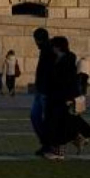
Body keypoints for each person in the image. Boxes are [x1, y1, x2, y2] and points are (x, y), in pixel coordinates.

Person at [30, 27, 55, 155]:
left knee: (45, 118)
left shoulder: (49, 50)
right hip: (41, 89)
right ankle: (46, 143)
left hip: (46, 91)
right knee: (36, 116)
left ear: (38, 40)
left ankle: (50, 144)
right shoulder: (45, 49)